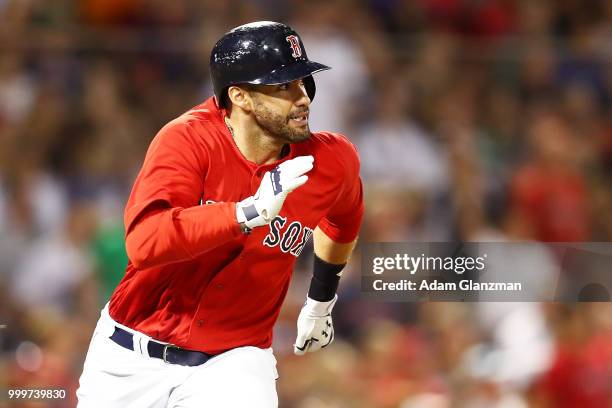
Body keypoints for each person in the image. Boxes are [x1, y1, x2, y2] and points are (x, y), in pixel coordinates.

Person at [76, 21, 363, 407]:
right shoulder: (187, 140)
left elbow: (343, 219)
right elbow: (144, 242)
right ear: (240, 96)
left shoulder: (330, 160)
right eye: (283, 86)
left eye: (303, 81)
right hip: (131, 355)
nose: (303, 98)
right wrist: (246, 213)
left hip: (236, 361)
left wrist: (321, 300)